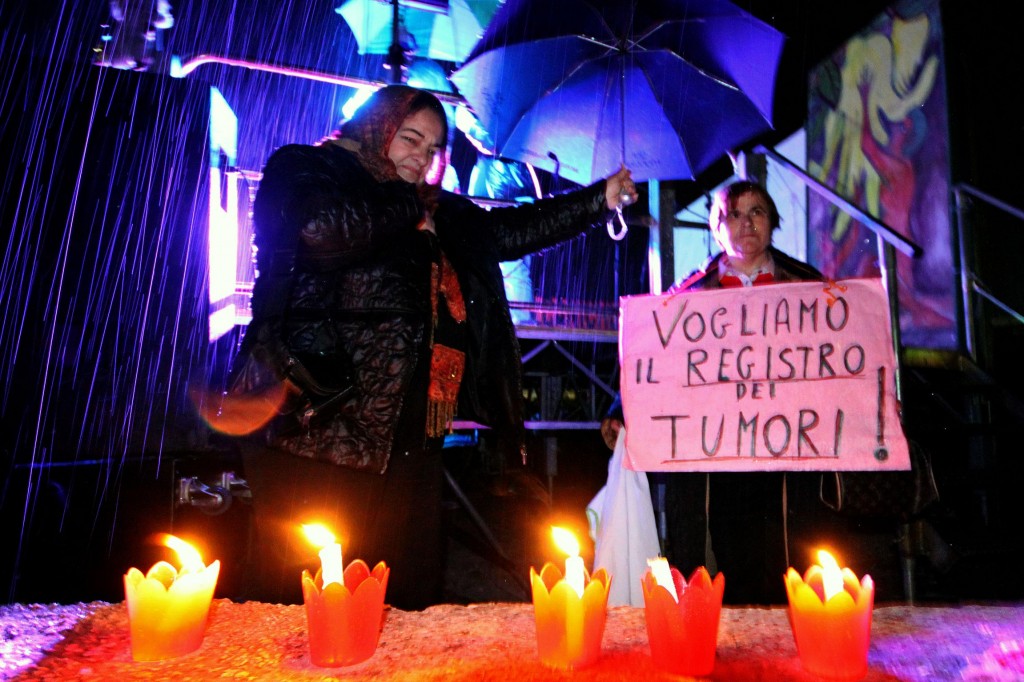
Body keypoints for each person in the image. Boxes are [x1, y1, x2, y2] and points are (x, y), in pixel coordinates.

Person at [228, 85, 638, 610]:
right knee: (299, 598)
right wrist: (406, 205)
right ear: (376, 129)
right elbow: (316, 230)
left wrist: (596, 199)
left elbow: (504, 232)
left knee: (403, 597)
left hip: (406, 434)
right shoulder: (307, 167)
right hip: (313, 425)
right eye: (410, 138)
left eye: (432, 149)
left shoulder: (430, 205)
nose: (420, 157)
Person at [601, 179, 822, 604]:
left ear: (772, 221)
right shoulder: (688, 296)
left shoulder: (810, 288)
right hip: (715, 462)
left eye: (756, 211)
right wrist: (619, 407)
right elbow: (652, 358)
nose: (746, 223)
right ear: (716, 229)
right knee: (719, 558)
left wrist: (876, 396)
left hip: (785, 458)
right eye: (732, 215)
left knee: (785, 558)